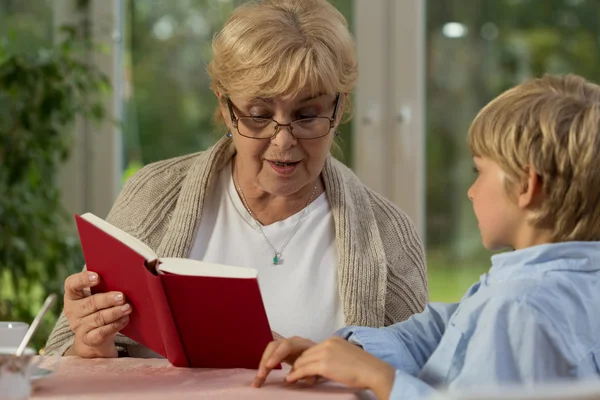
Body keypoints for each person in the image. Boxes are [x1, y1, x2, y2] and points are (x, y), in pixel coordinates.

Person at [44, 0, 428, 359]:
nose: (283, 140)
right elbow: (62, 360)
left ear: (340, 107)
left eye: (307, 115)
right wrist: (91, 344)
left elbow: (419, 375)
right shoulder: (154, 193)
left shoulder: (387, 233)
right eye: (259, 115)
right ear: (225, 108)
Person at [253, 74, 600, 399]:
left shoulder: (518, 308)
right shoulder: (568, 287)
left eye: (479, 172)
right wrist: (350, 352)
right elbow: (448, 329)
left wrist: (382, 380)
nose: (471, 191)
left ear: (527, 186)